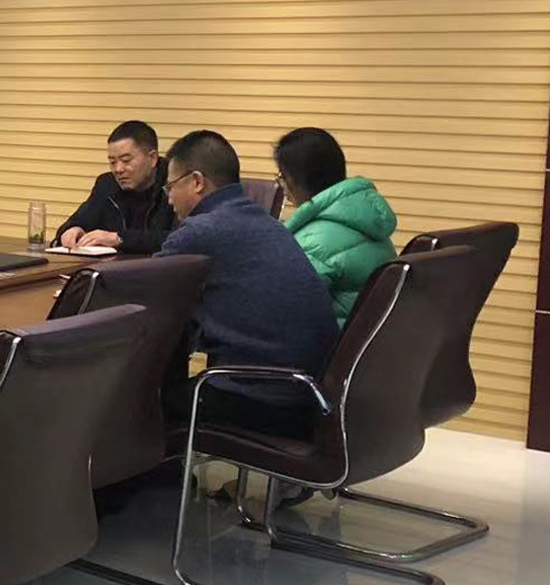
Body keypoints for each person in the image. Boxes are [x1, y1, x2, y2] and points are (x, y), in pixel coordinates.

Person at [156, 130, 337, 439]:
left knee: (141, 402)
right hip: (309, 394)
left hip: (263, 399)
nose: (169, 198)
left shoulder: (200, 231)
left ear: (196, 181)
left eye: (170, 187)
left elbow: (146, 295)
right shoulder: (265, 222)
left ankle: (156, 469)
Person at [274, 127, 398, 326]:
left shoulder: (314, 241)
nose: (281, 184)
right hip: (373, 338)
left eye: (282, 175)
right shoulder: (367, 220)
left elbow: (283, 307)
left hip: (334, 342)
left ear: (298, 178)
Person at [57, 120, 178, 253]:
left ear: (152, 158)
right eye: (112, 162)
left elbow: (179, 239)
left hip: (161, 264)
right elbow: (77, 221)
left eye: (126, 161)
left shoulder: (176, 185)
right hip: (112, 265)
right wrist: (72, 230)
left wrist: (120, 239)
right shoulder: (107, 185)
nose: (118, 169)